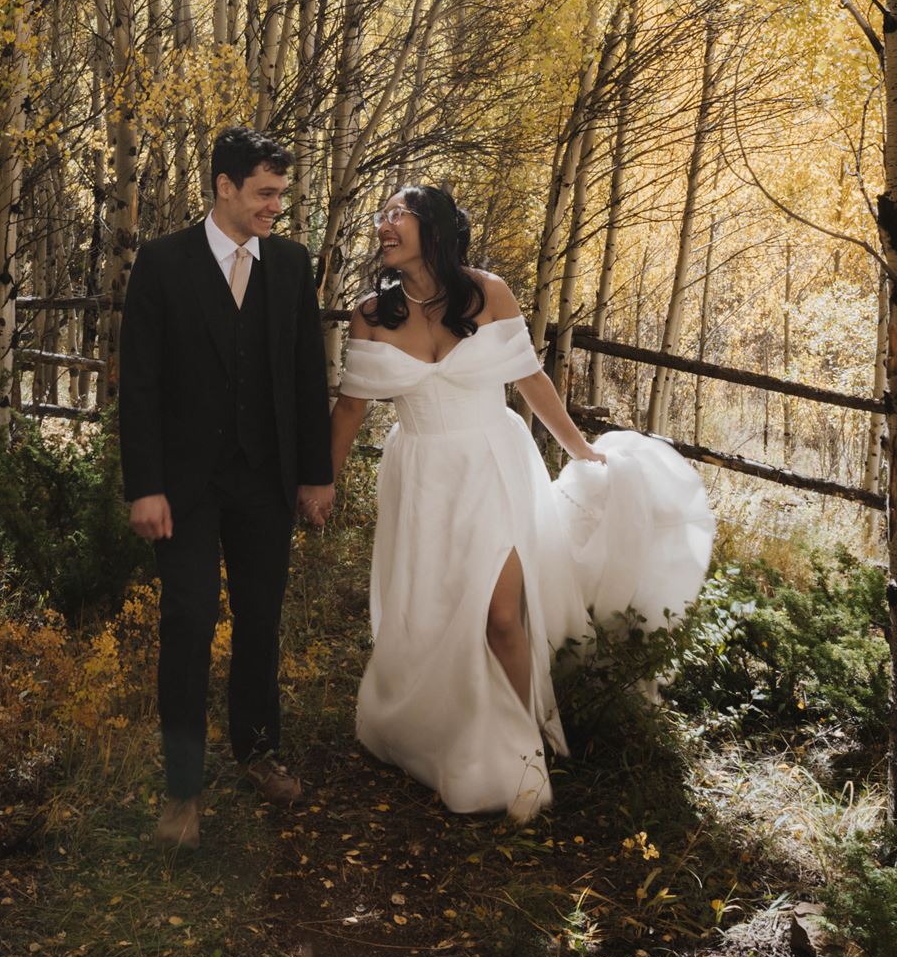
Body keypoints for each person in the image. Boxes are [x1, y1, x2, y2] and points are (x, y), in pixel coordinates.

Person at [330, 185, 715, 820]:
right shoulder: (374, 311)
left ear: (435, 227)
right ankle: (440, 731)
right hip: (421, 476)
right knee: (432, 610)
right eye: (382, 215)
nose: (383, 224)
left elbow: (530, 379)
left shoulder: (489, 293)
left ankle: (526, 754)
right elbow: (349, 408)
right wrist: (323, 482)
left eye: (397, 214)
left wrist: (580, 448)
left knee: (502, 615)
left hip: (494, 466)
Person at [119, 126, 334, 851]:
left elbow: (308, 380)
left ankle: (256, 750)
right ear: (224, 187)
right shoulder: (162, 263)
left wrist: (315, 475)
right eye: (265, 193)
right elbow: (139, 385)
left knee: (260, 618)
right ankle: (182, 789)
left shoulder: (291, 266)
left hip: (265, 483)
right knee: (186, 623)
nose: (276, 207)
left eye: (280, 194)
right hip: (182, 488)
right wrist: (143, 486)